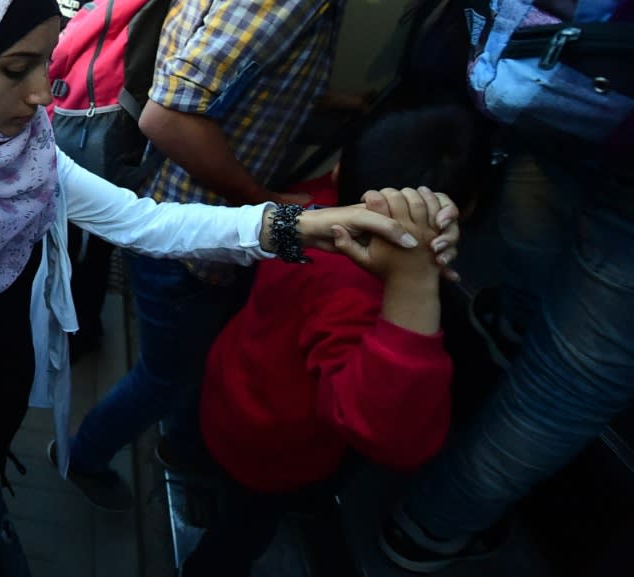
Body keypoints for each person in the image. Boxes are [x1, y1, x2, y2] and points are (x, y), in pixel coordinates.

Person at [0, 1, 459, 576]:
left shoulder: (25, 154)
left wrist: (303, 227)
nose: (44, 95)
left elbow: (148, 222)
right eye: (17, 70)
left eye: (47, 64)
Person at [64, 0, 459, 510]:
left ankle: (179, 449)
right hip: (191, 238)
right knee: (166, 376)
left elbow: (235, 81)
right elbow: (168, 119)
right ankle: (83, 456)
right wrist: (263, 199)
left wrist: (325, 101)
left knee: (183, 364)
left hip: (201, 234)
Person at [378, 1, 634, 573]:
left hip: (550, 80)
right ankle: (432, 525)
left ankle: (513, 323)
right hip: (609, 104)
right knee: (566, 387)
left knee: (537, 218)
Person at [176, 106, 472, 577]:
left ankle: (183, 462)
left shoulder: (312, 205)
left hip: (231, 384)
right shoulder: (360, 292)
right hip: (271, 445)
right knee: (240, 531)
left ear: (340, 167)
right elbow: (389, 435)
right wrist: (413, 284)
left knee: (212, 466)